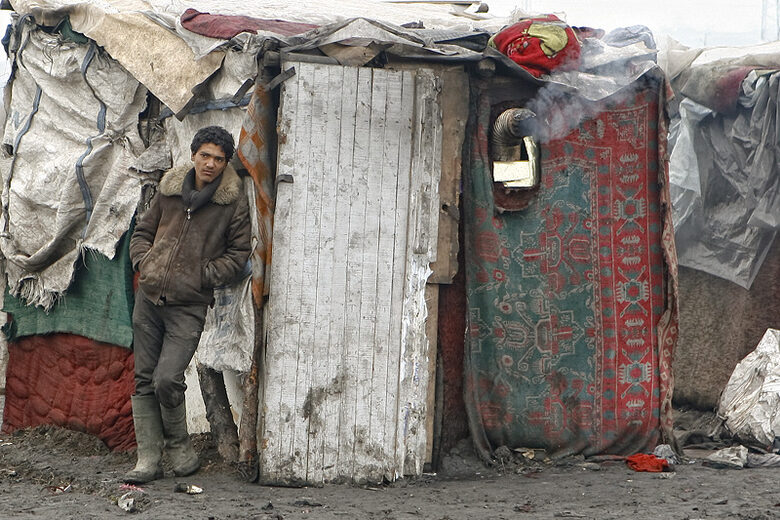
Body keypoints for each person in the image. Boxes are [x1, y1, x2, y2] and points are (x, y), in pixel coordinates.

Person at [124, 126, 251, 484]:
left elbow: (238, 255)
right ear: (194, 155)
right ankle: (148, 458)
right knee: (144, 378)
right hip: (149, 299)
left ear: (226, 163)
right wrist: (143, 263)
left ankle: (179, 446)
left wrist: (200, 276)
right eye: (205, 155)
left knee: (167, 377)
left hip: (189, 305)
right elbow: (143, 232)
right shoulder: (169, 191)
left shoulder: (231, 202)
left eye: (219, 159)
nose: (210, 164)